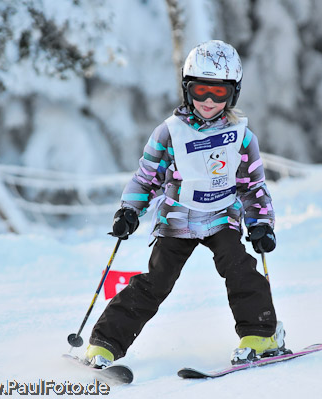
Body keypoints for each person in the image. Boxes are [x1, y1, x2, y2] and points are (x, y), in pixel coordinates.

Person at [84, 40, 287, 368]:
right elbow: (147, 177)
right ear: (186, 90)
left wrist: (261, 223)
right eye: (199, 91)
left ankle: (261, 333)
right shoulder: (170, 133)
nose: (207, 101)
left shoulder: (240, 136)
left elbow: (253, 187)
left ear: (232, 94)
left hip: (222, 218)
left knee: (239, 269)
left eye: (218, 93)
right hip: (178, 219)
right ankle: (105, 343)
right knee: (155, 281)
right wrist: (129, 210)